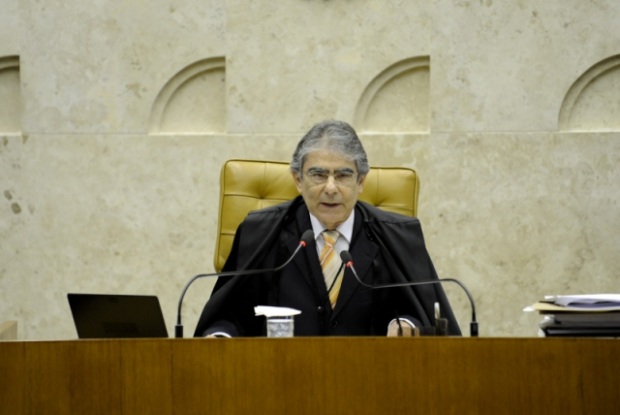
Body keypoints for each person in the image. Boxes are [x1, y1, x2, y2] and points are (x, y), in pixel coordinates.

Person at [194, 119, 461, 337]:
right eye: (318, 175)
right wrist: (220, 339)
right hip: (279, 384)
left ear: (361, 182)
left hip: (372, 386)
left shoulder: (397, 236)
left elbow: (428, 319)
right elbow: (228, 318)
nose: (331, 188)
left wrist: (406, 325)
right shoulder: (260, 233)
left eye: (343, 175)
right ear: (298, 180)